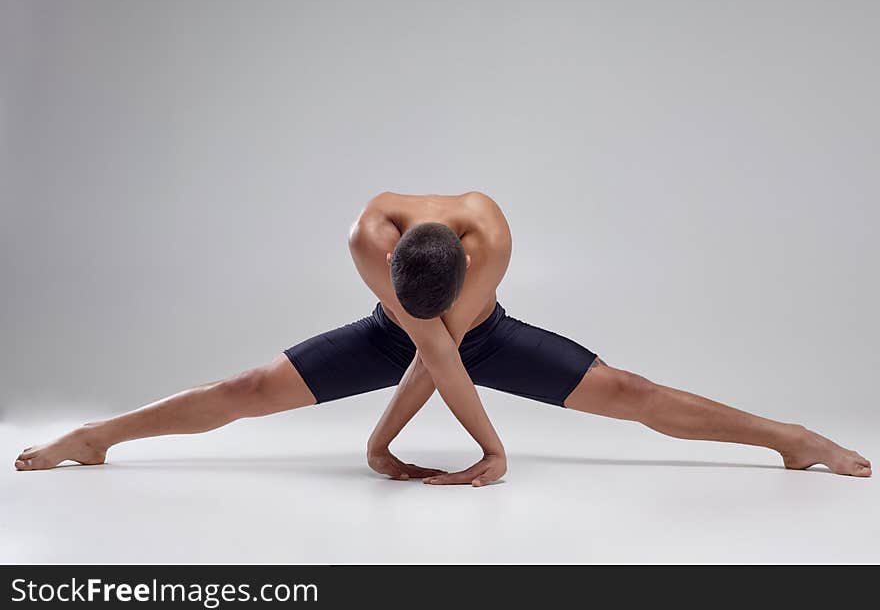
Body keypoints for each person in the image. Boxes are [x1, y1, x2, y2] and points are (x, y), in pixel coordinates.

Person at [14, 191, 871, 484]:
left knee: (635, 393)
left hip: (480, 334)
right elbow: (425, 344)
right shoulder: (368, 237)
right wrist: (399, 444)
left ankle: (790, 441)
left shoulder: (489, 235)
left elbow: (451, 351)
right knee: (245, 389)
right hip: (407, 330)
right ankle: (95, 437)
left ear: (471, 262)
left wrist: (444, 447)